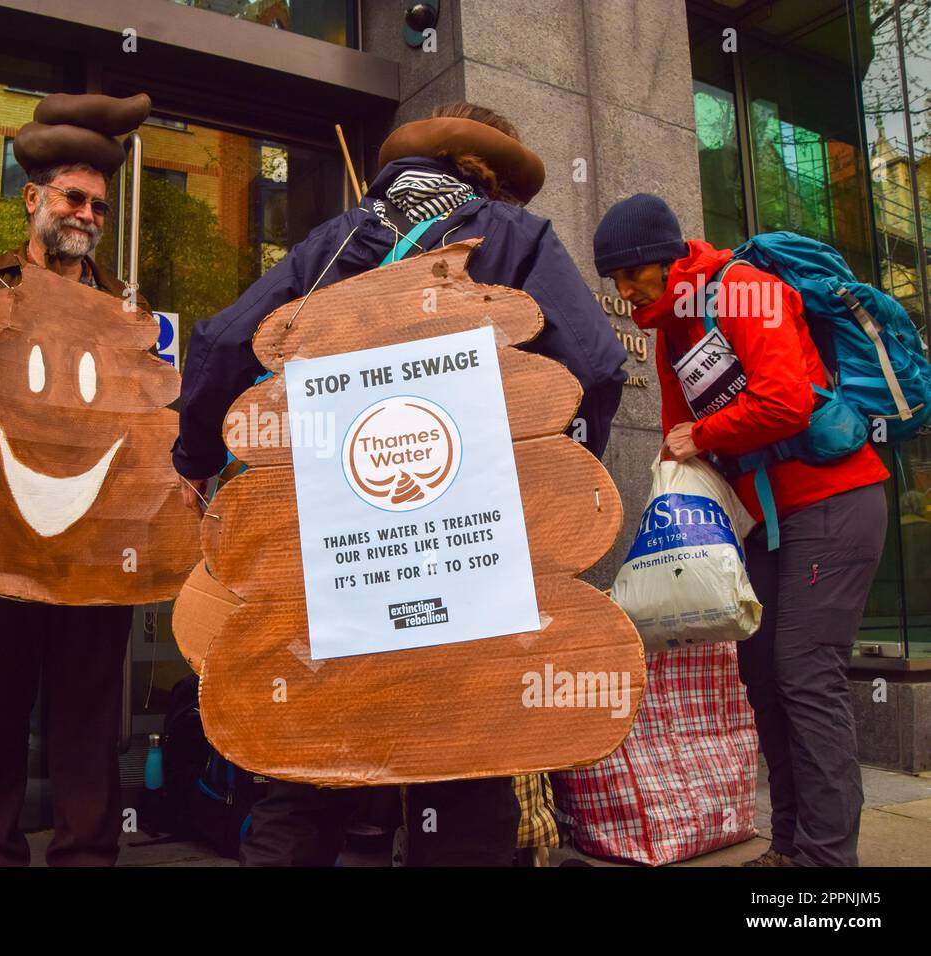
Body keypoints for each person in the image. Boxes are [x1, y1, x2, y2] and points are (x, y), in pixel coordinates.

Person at [173, 102, 628, 866]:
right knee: (462, 766)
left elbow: (221, 341)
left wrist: (192, 461)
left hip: (336, 559)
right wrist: (550, 488)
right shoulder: (514, 237)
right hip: (465, 560)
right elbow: (598, 363)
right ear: (492, 175)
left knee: (308, 770)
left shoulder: (335, 242)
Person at [594, 193, 891, 867]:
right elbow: (680, 444)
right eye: (613, 280)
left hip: (834, 499)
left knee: (804, 675)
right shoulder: (671, 329)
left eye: (628, 272)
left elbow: (782, 402)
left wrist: (700, 434)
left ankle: (825, 861)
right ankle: (788, 847)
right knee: (762, 675)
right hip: (766, 520)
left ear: (662, 258)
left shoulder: (743, 291)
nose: (622, 288)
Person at [0, 93, 151, 866]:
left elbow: (141, 426)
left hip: (93, 553)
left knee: (87, 717)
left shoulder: (118, 308)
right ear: (34, 199)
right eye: (75, 198)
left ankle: (85, 855)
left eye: (99, 206)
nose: (87, 215)